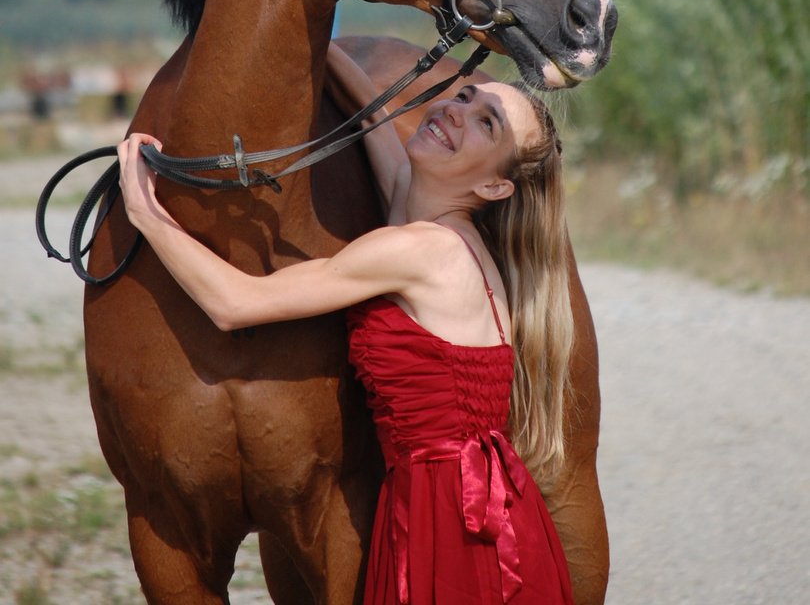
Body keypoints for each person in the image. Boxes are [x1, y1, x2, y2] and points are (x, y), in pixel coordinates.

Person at [117, 42, 575, 605]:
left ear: (494, 187)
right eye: (464, 94)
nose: (456, 110)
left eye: (487, 123)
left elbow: (236, 303)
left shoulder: (418, 252)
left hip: (451, 525)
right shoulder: (449, 235)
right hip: (487, 510)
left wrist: (146, 214)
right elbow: (381, 135)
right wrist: (319, 39)